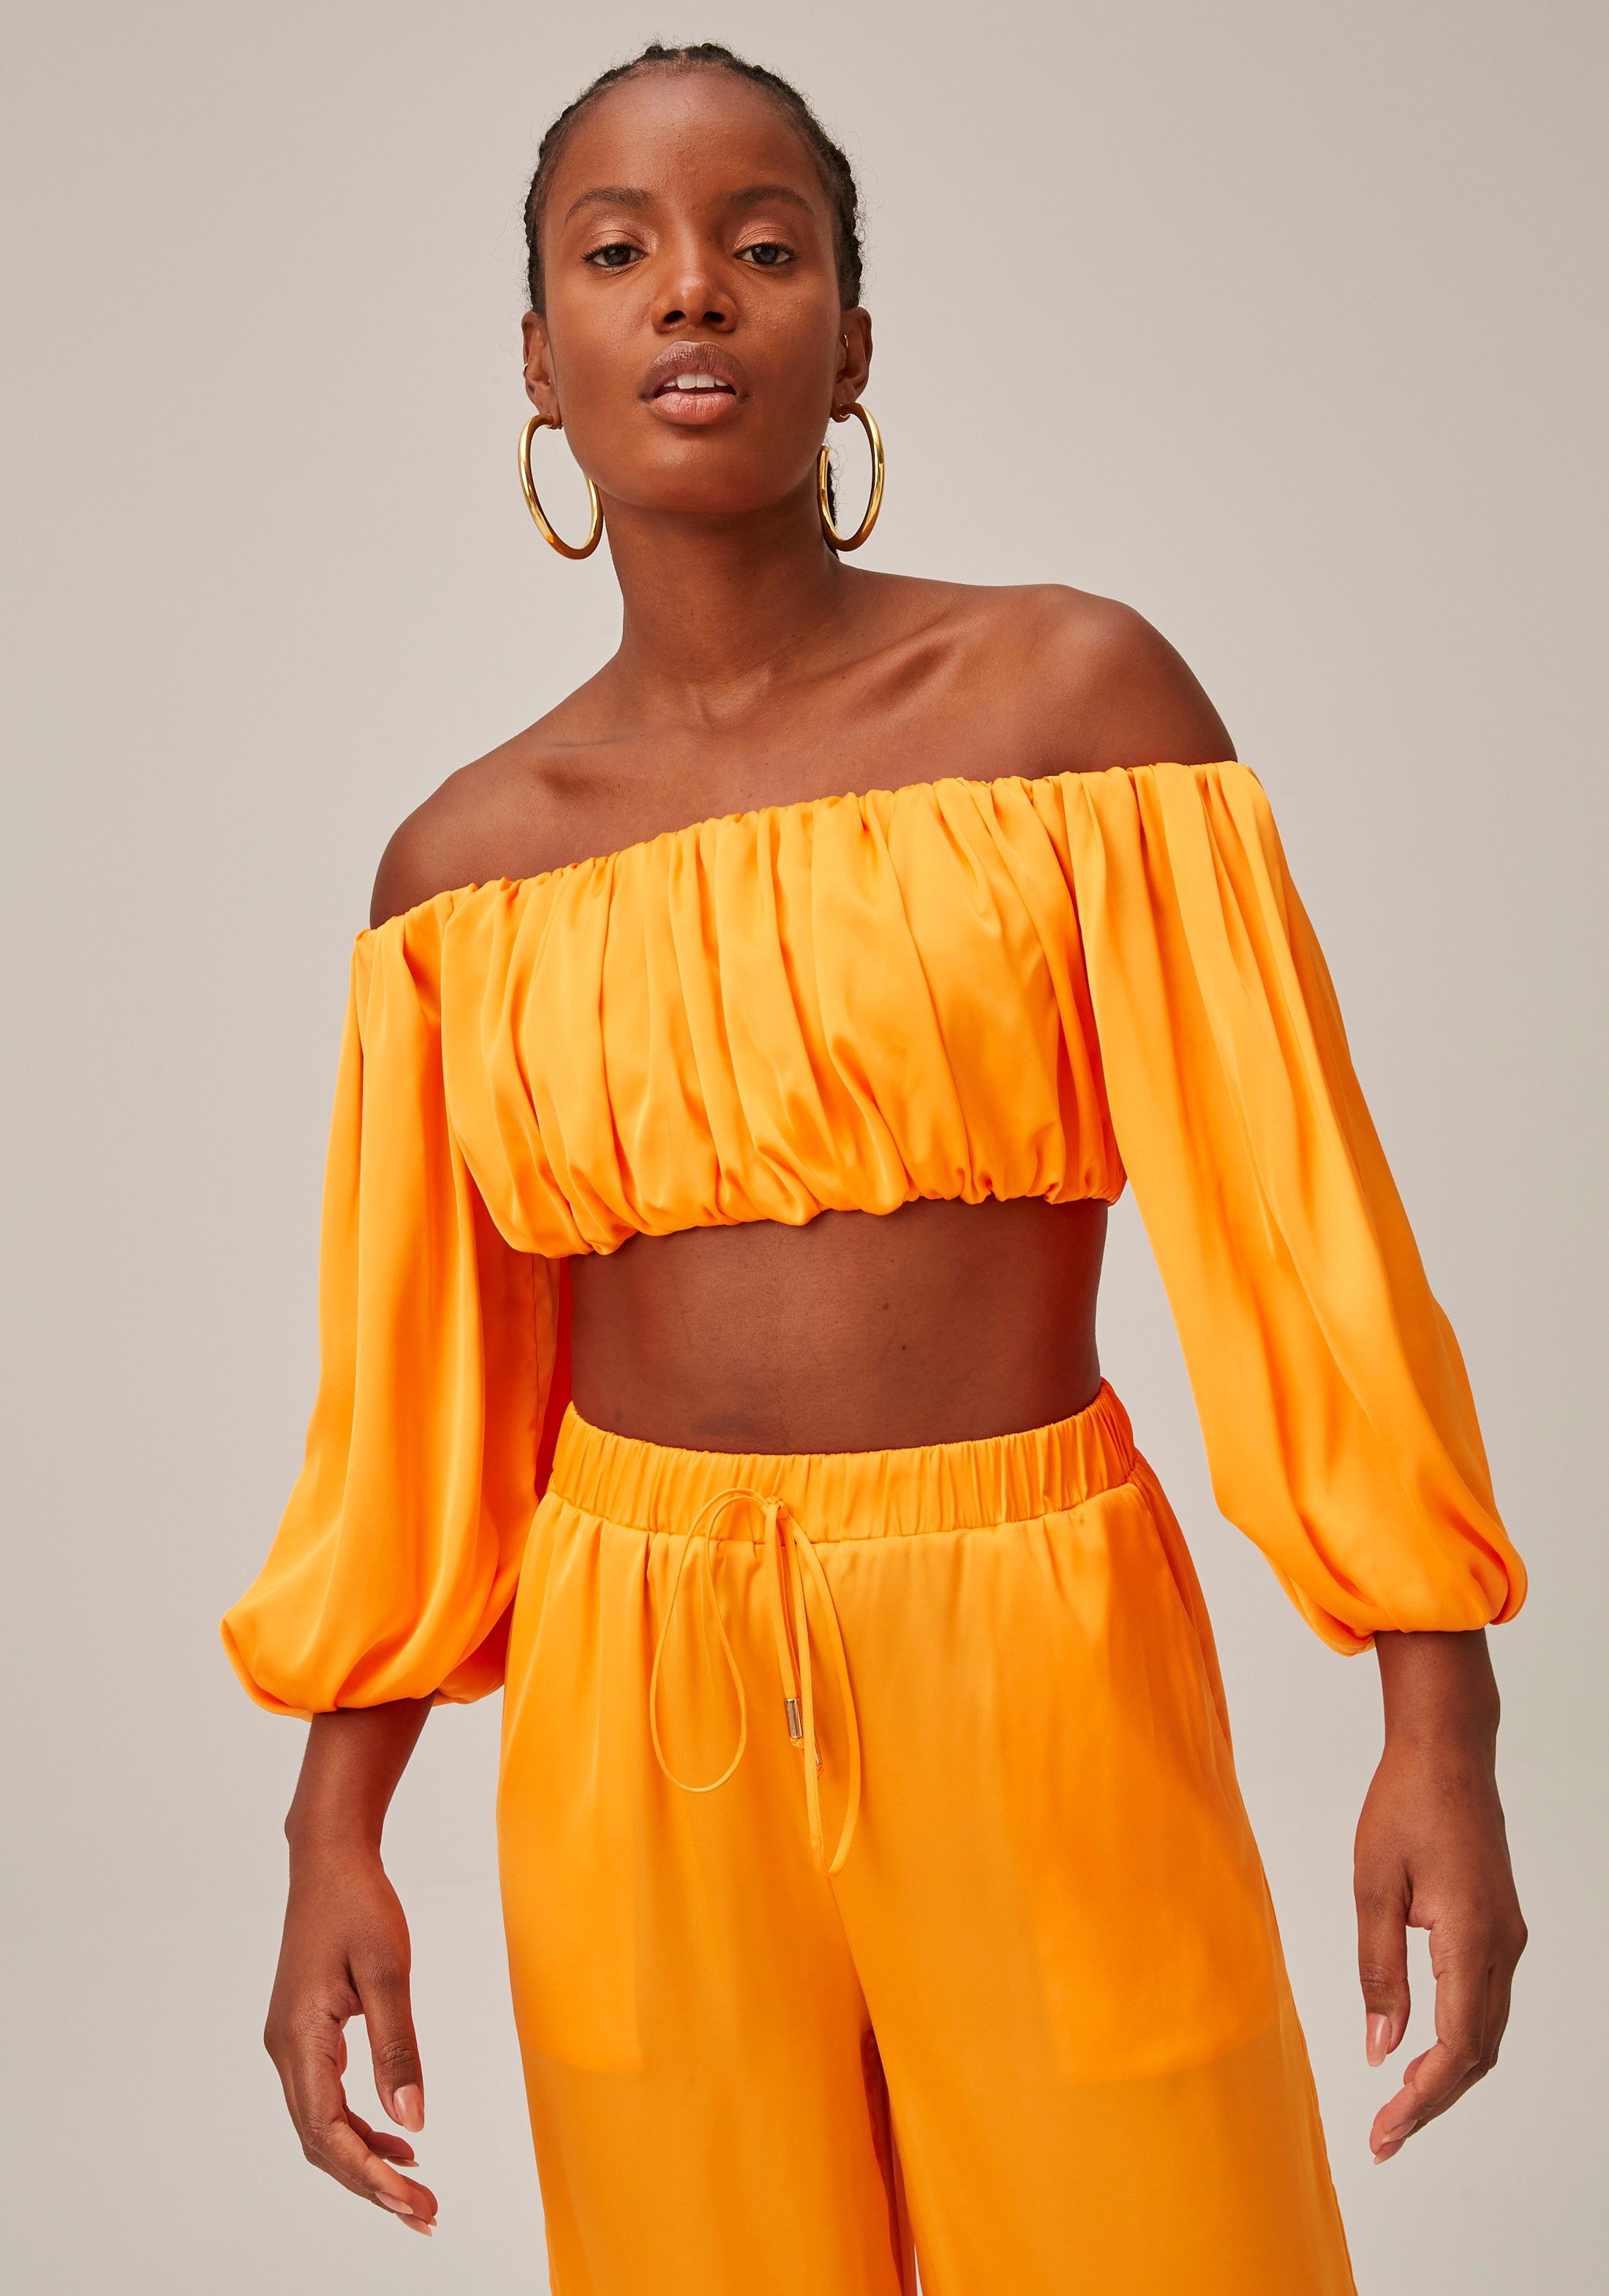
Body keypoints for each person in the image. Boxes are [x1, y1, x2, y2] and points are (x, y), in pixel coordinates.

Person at [222, 41, 1527, 2296]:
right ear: (538, 360)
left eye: (764, 243)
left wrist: (1443, 1719)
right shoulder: (458, 876)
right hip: (634, 1704)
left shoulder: (1075, 710)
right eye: (616, 252)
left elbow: (1301, 1241)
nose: (691, 291)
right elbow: (421, 1413)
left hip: (1034, 1637)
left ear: (850, 337)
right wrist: (334, 1828)